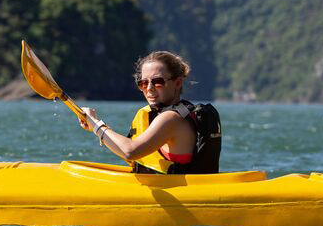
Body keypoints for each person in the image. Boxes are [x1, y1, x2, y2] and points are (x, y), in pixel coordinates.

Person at [77, 50, 221, 174]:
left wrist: (95, 124)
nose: (149, 88)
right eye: (143, 83)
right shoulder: (179, 111)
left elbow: (130, 151)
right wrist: (93, 125)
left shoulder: (171, 118)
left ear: (177, 82)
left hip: (178, 196)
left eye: (158, 81)